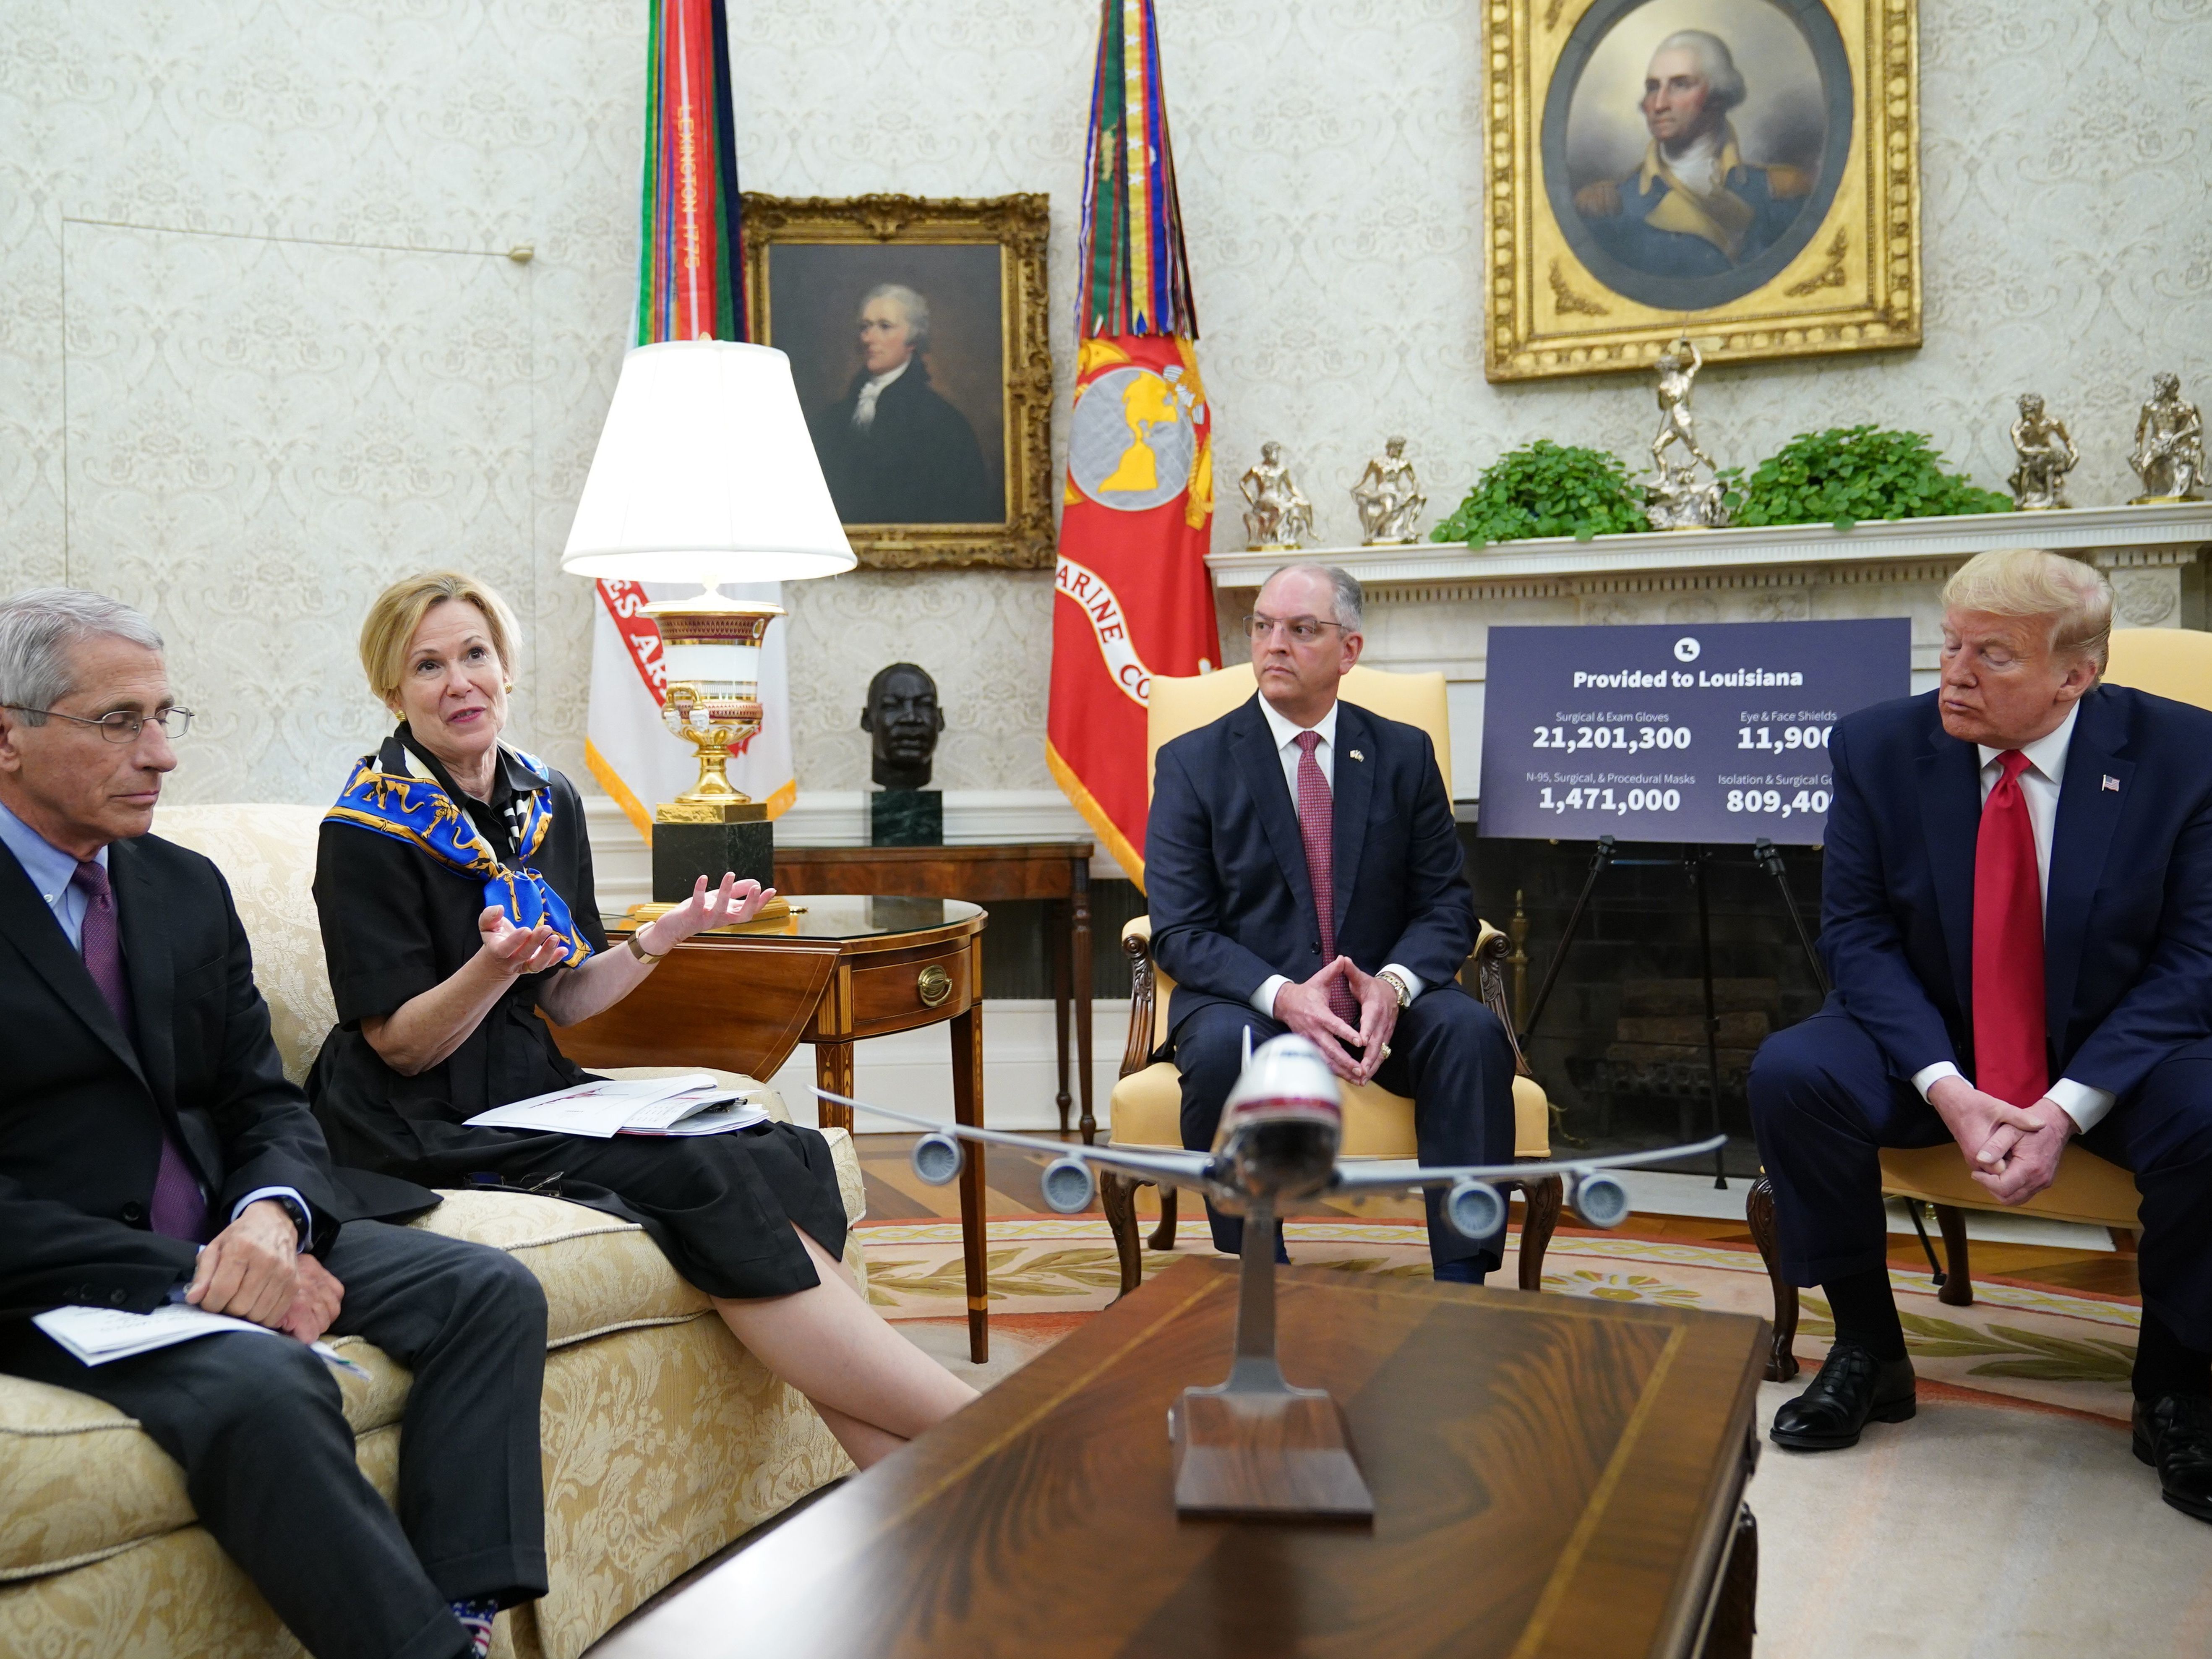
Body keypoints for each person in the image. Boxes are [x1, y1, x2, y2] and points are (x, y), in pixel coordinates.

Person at [306, 572, 975, 1470]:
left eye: (475, 655)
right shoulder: (365, 827)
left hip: (526, 1088)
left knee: (777, 1146)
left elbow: (566, 999)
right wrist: (491, 963)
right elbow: (402, 1044)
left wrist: (664, 938)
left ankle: (911, 1487)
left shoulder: (544, 801)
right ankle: (979, 1430)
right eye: (428, 666)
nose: (460, 681)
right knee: (697, 1167)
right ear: (393, 692)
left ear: (506, 670)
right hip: (413, 1116)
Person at [0, 588, 550, 1659]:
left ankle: (463, 1616)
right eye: (120, 720)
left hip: (223, 1227)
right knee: (268, 1378)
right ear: (7, 734)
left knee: (486, 1289)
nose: (160, 754)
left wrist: (270, 1219)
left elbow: (262, 1096)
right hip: (59, 1276)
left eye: (167, 716)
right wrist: (183, 1268)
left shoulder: (181, 885)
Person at [1750, 548, 2212, 1523]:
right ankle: (1869, 1349)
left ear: (2074, 674)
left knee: (2209, 1110)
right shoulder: (1877, 746)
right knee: (1795, 1071)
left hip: (2118, 1049)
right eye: (1950, 643)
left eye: (1992, 655)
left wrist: (2065, 1104)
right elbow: (1857, 937)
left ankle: (2174, 1385)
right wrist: (1947, 1086)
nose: (1953, 673)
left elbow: (2195, 958)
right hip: (1934, 1037)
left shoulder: (2185, 755)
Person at [1144, 563, 1517, 1279]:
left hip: (1382, 1001)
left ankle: (1466, 1286)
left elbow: (1446, 903)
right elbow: (1180, 930)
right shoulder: (1193, 763)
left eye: (1301, 629)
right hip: (1250, 1000)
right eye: (1262, 626)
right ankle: (1262, 1270)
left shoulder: (1403, 754)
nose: (1273, 644)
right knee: (1223, 1048)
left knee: (1471, 1033)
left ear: (1348, 650)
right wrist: (1285, 994)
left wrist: (1396, 984)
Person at [1573, 30, 1812, 278]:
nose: (1659, 105)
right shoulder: (1613, 207)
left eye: (1680, 85)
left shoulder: (1780, 193)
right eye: (1653, 88)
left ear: (1718, 96)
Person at [806, 283, 997, 524]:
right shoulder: (831, 420)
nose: (869, 338)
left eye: (885, 327)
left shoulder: (944, 424)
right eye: (865, 327)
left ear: (913, 340)